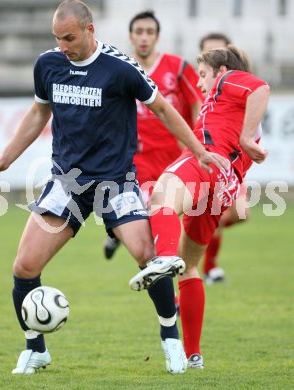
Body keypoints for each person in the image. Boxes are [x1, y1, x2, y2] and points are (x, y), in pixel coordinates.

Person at [0, 0, 228, 375]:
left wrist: (200, 151)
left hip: (115, 181)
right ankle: (36, 348)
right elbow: (38, 112)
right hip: (67, 181)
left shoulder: (119, 68)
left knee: (150, 257)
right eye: (57, 38)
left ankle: (171, 341)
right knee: (25, 265)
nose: (62, 45)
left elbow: (162, 108)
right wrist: (5, 158)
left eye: (69, 37)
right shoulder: (48, 64)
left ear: (90, 30)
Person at [129, 45, 270, 369]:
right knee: (190, 268)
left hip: (204, 161)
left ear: (221, 73)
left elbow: (261, 87)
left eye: (204, 74)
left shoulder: (228, 82)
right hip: (222, 189)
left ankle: (164, 257)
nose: (201, 84)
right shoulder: (238, 109)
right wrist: (248, 139)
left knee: (161, 197)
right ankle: (193, 355)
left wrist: (247, 138)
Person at [104, 10, 204, 260]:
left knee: (167, 215)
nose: (144, 38)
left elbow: (197, 103)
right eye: (139, 32)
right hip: (137, 159)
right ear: (131, 36)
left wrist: (197, 140)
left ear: (157, 37)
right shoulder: (121, 68)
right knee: (154, 215)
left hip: (173, 157)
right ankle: (162, 266)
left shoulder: (177, 67)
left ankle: (118, 234)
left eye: (150, 32)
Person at [199, 32, 254, 284]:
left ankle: (194, 241)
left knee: (242, 213)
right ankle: (209, 268)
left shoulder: (237, 91)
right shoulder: (200, 88)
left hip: (231, 162)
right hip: (210, 160)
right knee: (214, 213)